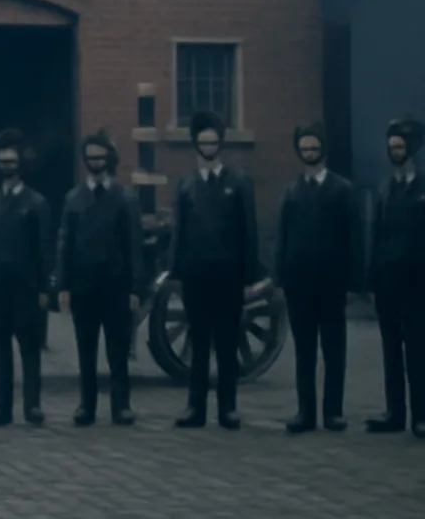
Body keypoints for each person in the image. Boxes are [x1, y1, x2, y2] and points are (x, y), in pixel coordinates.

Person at [168, 111, 260, 430]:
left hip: (229, 276)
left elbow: (250, 231)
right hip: (196, 277)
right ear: (196, 144)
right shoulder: (186, 186)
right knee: (199, 343)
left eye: (213, 141)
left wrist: (250, 276)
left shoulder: (239, 182)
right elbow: (179, 232)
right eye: (203, 141)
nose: (208, 146)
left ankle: (228, 408)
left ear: (220, 143)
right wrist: (176, 272)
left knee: (226, 343)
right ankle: (195, 407)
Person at [275, 122, 360, 433]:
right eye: (304, 148)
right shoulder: (291, 192)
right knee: (304, 350)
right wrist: (281, 278)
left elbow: (355, 239)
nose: (309, 153)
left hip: (332, 283)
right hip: (299, 284)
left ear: (323, 149)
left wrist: (354, 282)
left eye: (313, 148)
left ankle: (333, 412)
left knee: (334, 349)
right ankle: (305, 412)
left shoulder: (342, 190)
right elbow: (282, 238)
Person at [0, 128, 53, 427]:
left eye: (12, 162)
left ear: (21, 165)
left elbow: (45, 251)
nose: (7, 168)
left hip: (26, 290)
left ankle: (33, 405)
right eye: (2, 163)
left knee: (29, 349)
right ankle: (1, 407)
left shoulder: (37, 204)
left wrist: (44, 288)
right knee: (0, 350)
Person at [56, 129, 143, 426]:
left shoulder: (125, 197)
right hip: (83, 286)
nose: (95, 161)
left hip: (116, 285)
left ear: (109, 158)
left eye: (100, 156)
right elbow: (64, 244)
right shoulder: (73, 199)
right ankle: (86, 405)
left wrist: (135, 287)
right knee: (86, 349)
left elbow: (134, 245)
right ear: (84, 160)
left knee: (117, 349)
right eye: (90, 156)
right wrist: (63, 285)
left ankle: (121, 405)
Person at [366, 115, 425, 438]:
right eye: (392, 147)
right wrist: (371, 277)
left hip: (417, 282)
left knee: (417, 349)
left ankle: (421, 414)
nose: (396, 152)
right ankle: (395, 412)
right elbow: (376, 234)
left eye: (401, 147)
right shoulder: (384, 188)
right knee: (390, 348)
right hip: (387, 281)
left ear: (413, 148)